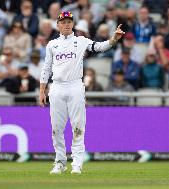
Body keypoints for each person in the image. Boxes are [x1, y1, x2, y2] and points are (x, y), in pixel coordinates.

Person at [39, 11, 125, 174]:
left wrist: (114, 39)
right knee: (56, 128)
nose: (66, 25)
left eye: (69, 22)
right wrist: (42, 90)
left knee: (78, 126)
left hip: (75, 86)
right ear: (57, 25)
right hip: (56, 87)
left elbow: (99, 47)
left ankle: (77, 164)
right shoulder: (52, 44)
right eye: (63, 22)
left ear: (73, 24)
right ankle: (60, 162)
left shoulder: (81, 41)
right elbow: (46, 68)